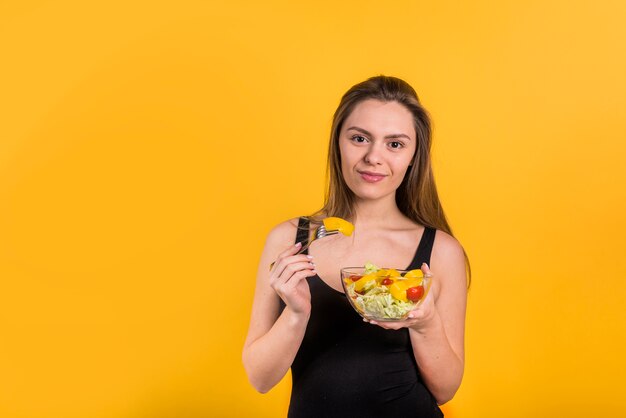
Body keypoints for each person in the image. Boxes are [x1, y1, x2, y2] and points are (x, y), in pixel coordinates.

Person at [242, 75, 469, 418]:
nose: (373, 157)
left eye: (395, 144)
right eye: (360, 138)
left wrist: (425, 323)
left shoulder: (440, 250)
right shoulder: (289, 239)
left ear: (413, 156)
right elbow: (260, 379)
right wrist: (296, 313)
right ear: (338, 143)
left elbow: (444, 389)